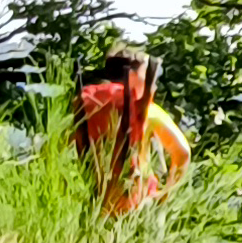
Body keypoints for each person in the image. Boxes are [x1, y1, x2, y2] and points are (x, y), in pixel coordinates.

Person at [68, 46, 191, 217]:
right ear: (132, 76)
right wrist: (166, 193)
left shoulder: (85, 104)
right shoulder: (147, 111)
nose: (154, 85)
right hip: (139, 205)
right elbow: (183, 152)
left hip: (94, 204)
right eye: (146, 74)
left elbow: (59, 147)